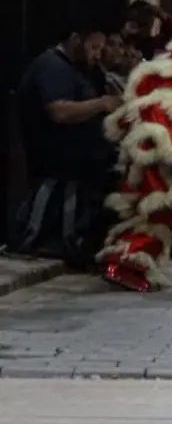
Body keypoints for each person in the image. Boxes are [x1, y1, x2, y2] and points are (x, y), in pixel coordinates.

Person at [11, 25, 122, 267]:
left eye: (100, 49)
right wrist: (101, 104)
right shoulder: (52, 66)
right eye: (93, 48)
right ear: (75, 39)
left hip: (79, 157)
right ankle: (36, 237)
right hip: (54, 156)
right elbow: (59, 111)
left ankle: (75, 240)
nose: (96, 54)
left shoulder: (81, 70)